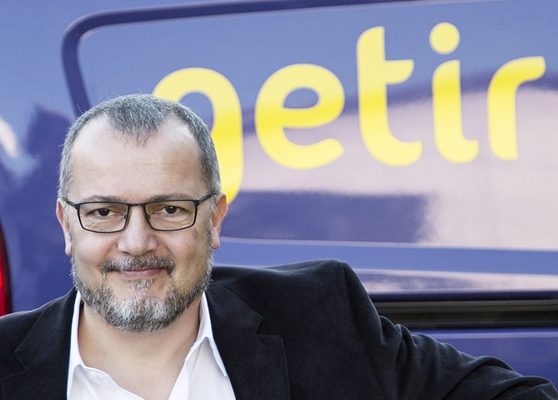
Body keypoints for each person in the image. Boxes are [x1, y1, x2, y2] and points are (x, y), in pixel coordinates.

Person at [0, 94, 556, 400]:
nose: (137, 241)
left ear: (215, 219)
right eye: (104, 212)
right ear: (67, 226)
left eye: (170, 209)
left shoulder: (320, 316)